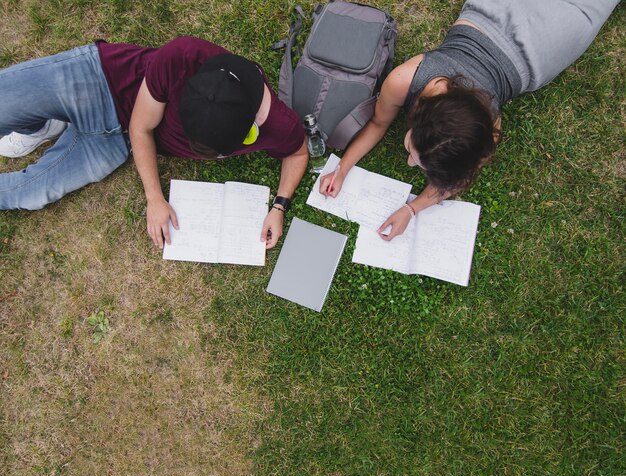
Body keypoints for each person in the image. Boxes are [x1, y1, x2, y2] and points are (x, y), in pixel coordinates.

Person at [319, 0, 619, 241]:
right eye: (415, 154)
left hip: (537, 51)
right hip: (504, 22)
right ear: (417, 114)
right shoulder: (402, 81)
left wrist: (413, 208)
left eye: (414, 157)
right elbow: (377, 124)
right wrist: (343, 168)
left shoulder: (488, 130)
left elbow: (456, 178)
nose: (409, 163)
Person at [0, 36, 309, 249]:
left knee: (31, 194)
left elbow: (297, 152)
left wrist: (279, 206)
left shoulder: (279, 123)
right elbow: (142, 127)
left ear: (249, 129)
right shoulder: (182, 55)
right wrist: (154, 198)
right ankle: (41, 123)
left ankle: (49, 120)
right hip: (97, 78)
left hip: (113, 141)